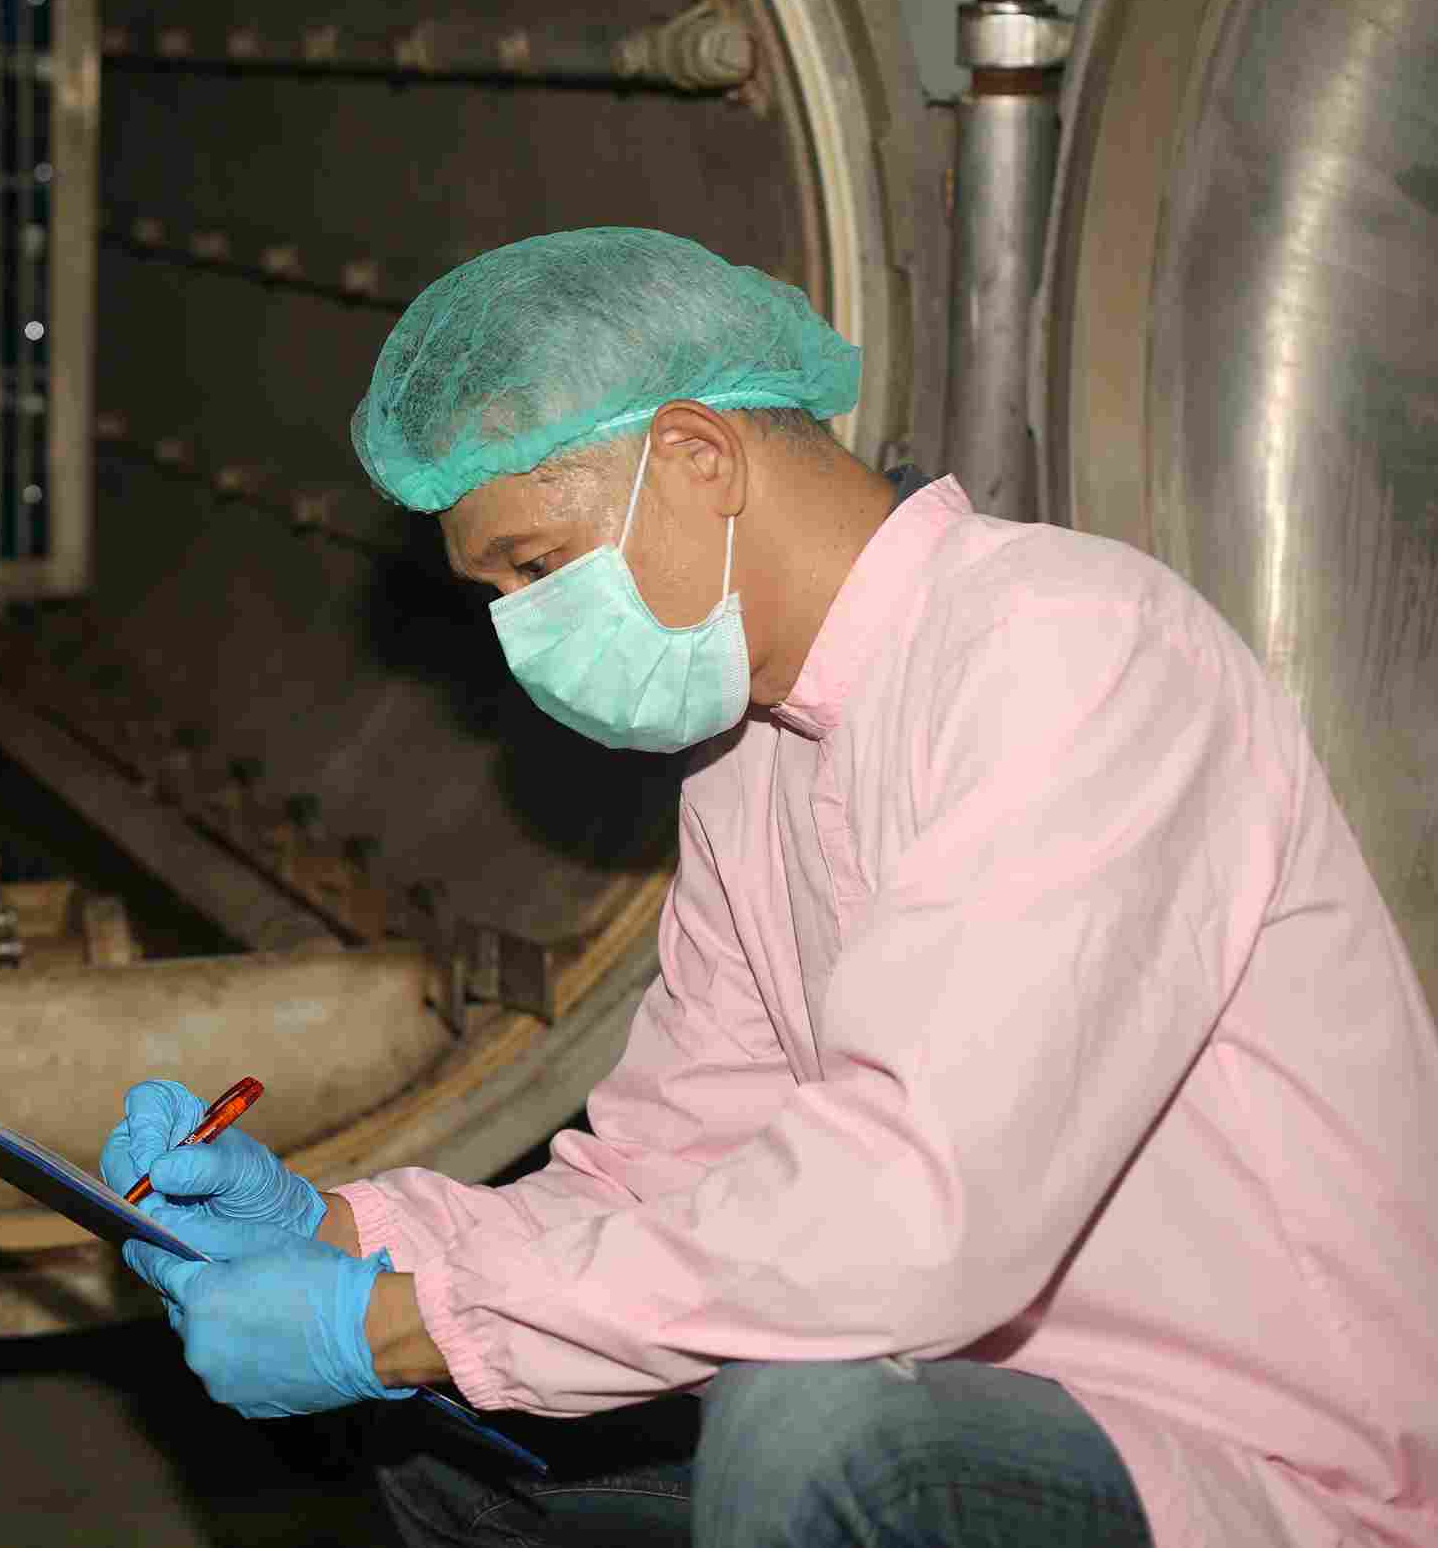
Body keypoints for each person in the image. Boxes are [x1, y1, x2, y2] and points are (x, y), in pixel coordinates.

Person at [101, 229, 1438, 1548]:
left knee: (810, 1428)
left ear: (695, 455)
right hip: (981, 1396)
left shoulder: (1069, 650)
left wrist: (403, 1328)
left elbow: (914, 1213)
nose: (520, 633)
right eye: (496, 590)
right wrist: (345, 1232)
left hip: (1256, 1469)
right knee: (465, 1454)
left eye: (539, 565)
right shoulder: (755, 764)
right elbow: (674, 1173)